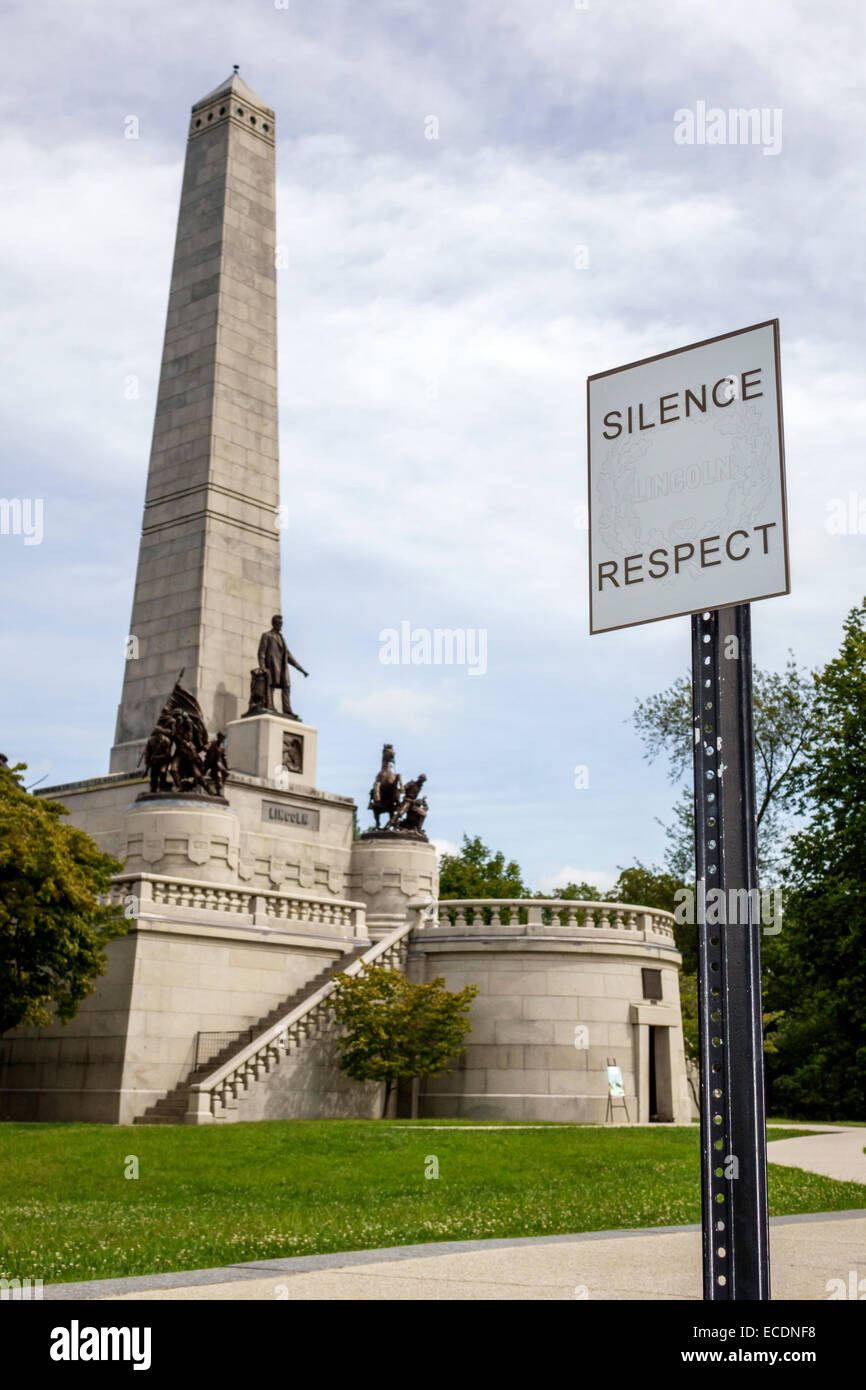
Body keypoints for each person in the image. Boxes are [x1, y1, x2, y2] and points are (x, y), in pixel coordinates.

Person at [257, 615, 309, 719]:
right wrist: (262, 667)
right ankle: (270, 706)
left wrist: (301, 670)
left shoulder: (282, 639)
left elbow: (289, 656)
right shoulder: (267, 636)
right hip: (272, 666)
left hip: (282, 668)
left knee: (286, 687)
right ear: (274, 623)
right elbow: (261, 653)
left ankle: (287, 710)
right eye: (278, 623)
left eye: (281, 624)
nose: (280, 626)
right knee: (270, 686)